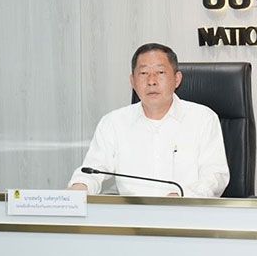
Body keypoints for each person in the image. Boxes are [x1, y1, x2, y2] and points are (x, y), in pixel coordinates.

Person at [68, 43, 229, 197]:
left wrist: (184, 197)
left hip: (186, 212)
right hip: (132, 215)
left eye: (160, 72)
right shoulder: (113, 123)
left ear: (177, 79)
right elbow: (91, 170)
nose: (151, 81)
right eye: (144, 73)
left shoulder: (203, 119)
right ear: (133, 81)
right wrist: (80, 187)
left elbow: (215, 176)